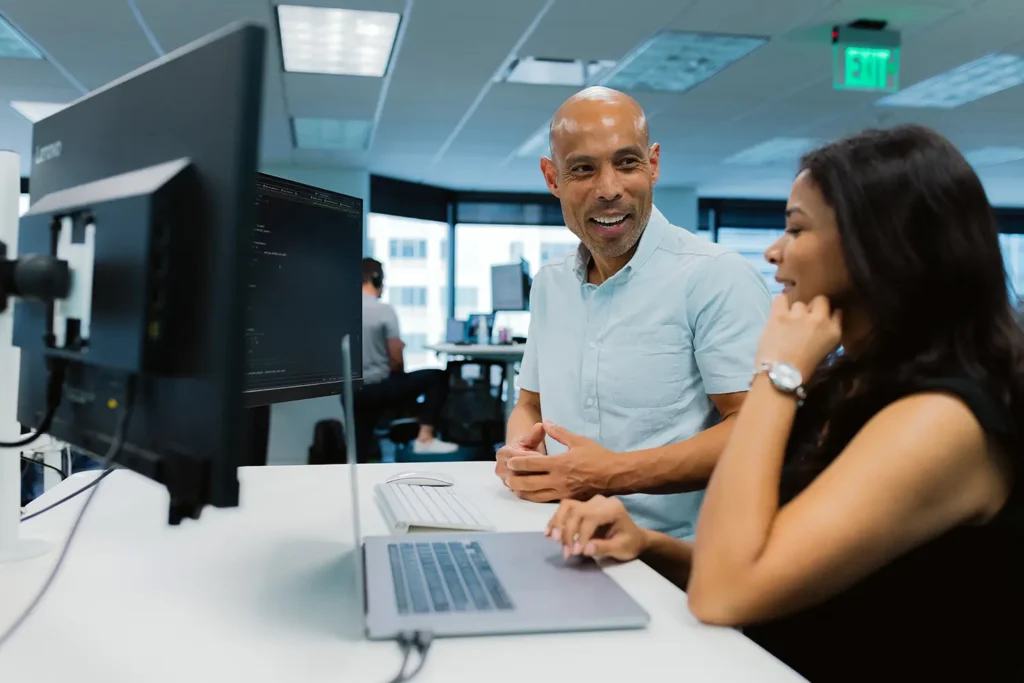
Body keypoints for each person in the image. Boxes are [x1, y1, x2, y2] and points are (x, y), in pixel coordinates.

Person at [545, 125, 1024, 682]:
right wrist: (646, 544)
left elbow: (726, 593)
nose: (774, 251)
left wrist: (775, 376)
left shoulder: (943, 420)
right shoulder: (851, 385)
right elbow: (763, 559)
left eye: (796, 228)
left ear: (880, 246)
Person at [497, 87, 771, 539]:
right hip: (560, 538)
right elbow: (530, 406)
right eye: (583, 169)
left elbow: (756, 433)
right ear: (552, 178)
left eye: (627, 163)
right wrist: (519, 450)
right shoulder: (551, 284)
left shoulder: (717, 278)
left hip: (676, 562)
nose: (609, 190)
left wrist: (608, 474)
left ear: (654, 163)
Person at [356, 258, 458, 460]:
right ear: (376, 279)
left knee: (361, 450)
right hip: (378, 387)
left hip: (351, 392)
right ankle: (425, 438)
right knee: (438, 377)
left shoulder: (341, 310)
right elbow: (396, 358)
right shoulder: (383, 310)